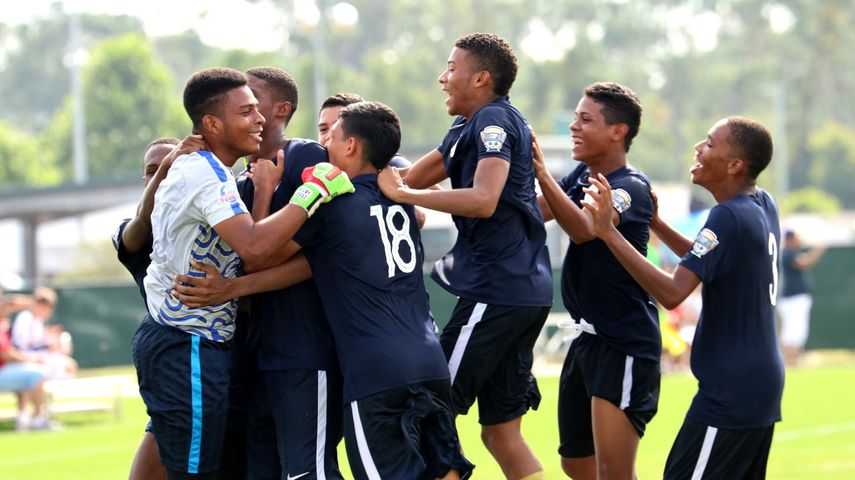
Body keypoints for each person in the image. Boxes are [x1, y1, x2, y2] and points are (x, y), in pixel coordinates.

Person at [134, 67, 354, 479]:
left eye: (258, 108)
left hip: (203, 344)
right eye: (246, 111)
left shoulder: (218, 173)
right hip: (187, 343)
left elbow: (251, 252)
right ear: (213, 123)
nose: (258, 119)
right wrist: (313, 192)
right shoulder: (204, 174)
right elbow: (254, 248)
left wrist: (265, 193)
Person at [378, 33, 552, 480]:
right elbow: (407, 179)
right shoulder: (465, 125)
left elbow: (483, 199)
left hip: (498, 289)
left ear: (480, 78)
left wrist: (409, 195)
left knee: (432, 408)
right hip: (522, 291)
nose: (442, 78)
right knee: (501, 432)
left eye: (452, 68)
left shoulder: (493, 118)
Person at [583, 116, 784, 479]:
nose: (698, 147)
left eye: (710, 143)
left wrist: (609, 233)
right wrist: (658, 225)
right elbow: (705, 259)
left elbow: (672, 292)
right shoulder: (762, 203)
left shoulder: (727, 216)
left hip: (731, 391)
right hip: (758, 382)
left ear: (735, 165)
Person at [532, 82, 660, 479]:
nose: (574, 126)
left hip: (622, 340)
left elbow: (586, 228)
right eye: (576, 118)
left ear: (618, 131)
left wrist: (542, 173)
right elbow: (536, 211)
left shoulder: (629, 187)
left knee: (614, 472)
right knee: (576, 462)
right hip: (588, 338)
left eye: (586, 119)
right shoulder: (581, 176)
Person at [231, 66, 345, 480]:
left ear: (281, 109)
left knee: (307, 473)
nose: (243, 105)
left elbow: (261, 257)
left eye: (252, 96)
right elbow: (252, 255)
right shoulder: (241, 180)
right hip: (259, 356)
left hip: (304, 352)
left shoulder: (306, 157)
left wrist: (265, 194)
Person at [113, 135, 205, 480]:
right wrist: (167, 168)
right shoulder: (135, 229)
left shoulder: (215, 218)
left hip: (219, 357)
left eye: (173, 165)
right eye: (153, 170)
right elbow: (137, 229)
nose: (163, 174)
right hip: (174, 363)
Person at [778, 229, 826, 366]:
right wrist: (818, 250)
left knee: (797, 330)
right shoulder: (787, 253)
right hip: (793, 298)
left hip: (794, 298)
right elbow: (803, 263)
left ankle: (792, 359)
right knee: (792, 330)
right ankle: (789, 360)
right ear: (791, 239)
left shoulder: (790, 253)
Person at [11, 286, 77, 380]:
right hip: (25, 356)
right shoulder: (25, 317)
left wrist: (53, 341)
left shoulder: (39, 321)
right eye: (44, 306)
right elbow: (21, 344)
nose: (47, 311)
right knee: (64, 366)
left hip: (38, 355)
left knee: (68, 363)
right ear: (37, 304)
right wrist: (45, 338)